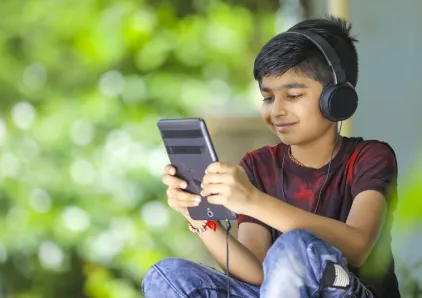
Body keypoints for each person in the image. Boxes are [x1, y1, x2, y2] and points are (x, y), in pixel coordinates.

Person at [142, 16, 399, 298]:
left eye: (293, 95)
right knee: (167, 275)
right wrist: (200, 218)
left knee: (296, 246)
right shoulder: (258, 164)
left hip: (347, 291)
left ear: (337, 99)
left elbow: (358, 246)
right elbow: (258, 275)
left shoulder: (370, 157)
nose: (276, 111)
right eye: (267, 97)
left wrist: (252, 200)